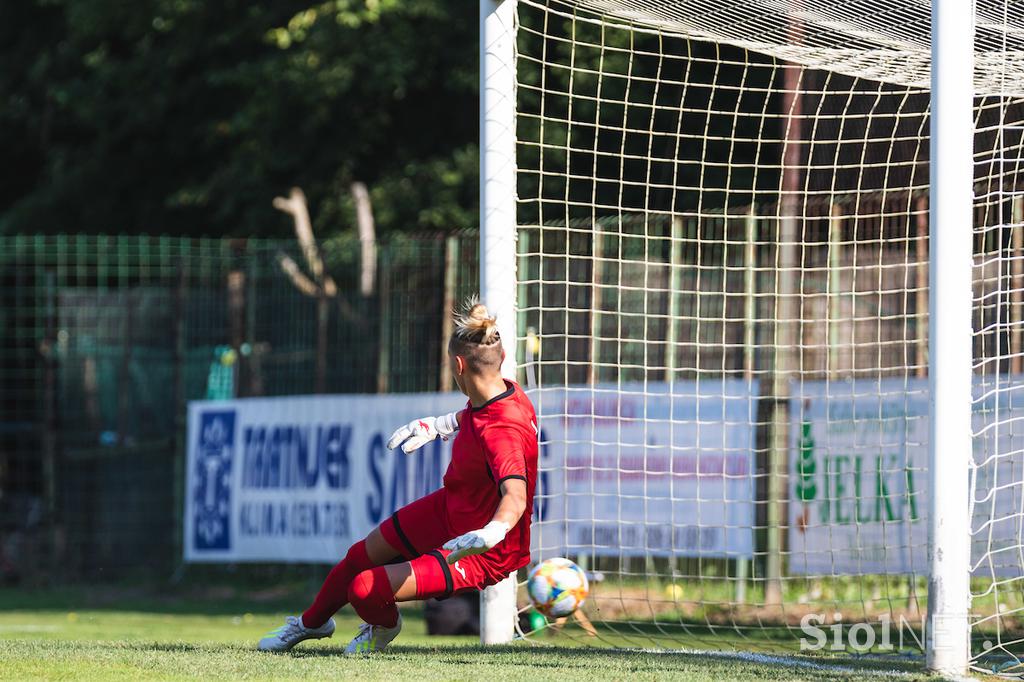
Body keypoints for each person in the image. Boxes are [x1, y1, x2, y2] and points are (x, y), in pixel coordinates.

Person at [258, 300, 538, 654]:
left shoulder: (503, 429)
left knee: (364, 589)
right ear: (500, 358)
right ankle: (311, 624)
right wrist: (440, 425)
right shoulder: (504, 391)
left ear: (458, 364)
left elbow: (516, 494)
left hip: (484, 547)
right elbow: (476, 416)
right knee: (360, 556)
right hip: (452, 507)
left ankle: (384, 627)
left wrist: (492, 532)